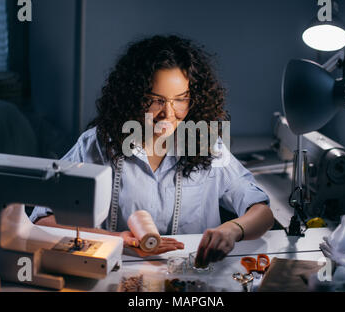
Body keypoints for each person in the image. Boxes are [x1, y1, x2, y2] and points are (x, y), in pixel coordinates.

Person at [30, 35, 273, 266]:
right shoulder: (97, 146)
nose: (168, 114)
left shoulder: (206, 146)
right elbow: (43, 220)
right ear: (132, 96)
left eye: (180, 99)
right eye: (156, 100)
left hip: (194, 277)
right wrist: (115, 239)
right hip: (118, 272)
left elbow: (261, 212)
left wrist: (232, 229)